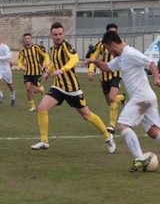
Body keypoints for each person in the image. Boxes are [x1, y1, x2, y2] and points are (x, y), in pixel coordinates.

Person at [30, 22, 116, 154]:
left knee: (87, 115)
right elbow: (55, 62)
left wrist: (62, 70)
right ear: (51, 36)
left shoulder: (67, 46)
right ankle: (44, 141)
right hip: (58, 87)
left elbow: (74, 59)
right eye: (55, 34)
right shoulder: (53, 49)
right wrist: (48, 72)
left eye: (60, 34)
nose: (58, 37)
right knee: (42, 108)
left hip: (72, 89)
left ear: (63, 34)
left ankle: (107, 136)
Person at [85, 31, 160, 172]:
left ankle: (140, 158)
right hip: (147, 98)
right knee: (153, 132)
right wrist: (94, 61)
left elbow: (150, 63)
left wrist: (156, 78)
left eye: (108, 49)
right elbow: (107, 67)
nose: (108, 52)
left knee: (122, 126)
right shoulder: (120, 58)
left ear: (113, 44)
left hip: (142, 97)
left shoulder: (130, 52)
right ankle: (141, 158)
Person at [88, 23, 126, 134]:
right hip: (104, 76)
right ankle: (122, 98)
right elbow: (93, 57)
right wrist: (91, 70)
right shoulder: (101, 45)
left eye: (114, 32)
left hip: (116, 75)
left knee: (111, 97)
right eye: (110, 32)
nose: (112, 34)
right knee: (110, 101)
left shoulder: (122, 45)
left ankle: (112, 125)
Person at [18, 33, 50, 111]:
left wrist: (46, 64)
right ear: (24, 40)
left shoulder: (36, 47)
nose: (27, 40)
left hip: (36, 72)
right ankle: (32, 106)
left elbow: (46, 55)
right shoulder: (22, 50)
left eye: (28, 38)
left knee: (35, 91)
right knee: (28, 88)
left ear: (31, 39)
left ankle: (41, 89)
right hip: (27, 72)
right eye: (25, 38)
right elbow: (20, 60)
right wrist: (20, 66)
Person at [0, 36, 16, 106]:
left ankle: (13, 99)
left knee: (10, 85)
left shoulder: (5, 47)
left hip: (6, 69)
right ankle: (0, 95)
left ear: (0, 40)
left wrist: (0, 58)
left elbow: (9, 56)